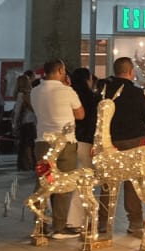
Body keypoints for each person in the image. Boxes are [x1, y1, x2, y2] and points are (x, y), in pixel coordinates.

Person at [30, 60, 86, 239]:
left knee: (43, 183)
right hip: (65, 142)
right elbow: (80, 114)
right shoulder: (66, 91)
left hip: (42, 141)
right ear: (61, 70)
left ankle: (39, 224)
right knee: (64, 184)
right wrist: (68, 88)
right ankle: (59, 226)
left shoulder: (35, 91)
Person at [101, 57, 145, 236]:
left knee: (107, 182)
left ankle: (102, 222)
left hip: (109, 141)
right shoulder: (137, 93)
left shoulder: (104, 89)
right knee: (133, 182)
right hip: (133, 141)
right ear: (131, 72)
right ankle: (136, 222)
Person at [69, 67, 101, 233]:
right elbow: (93, 123)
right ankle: (76, 220)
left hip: (68, 143)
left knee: (68, 180)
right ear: (87, 80)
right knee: (83, 183)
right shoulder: (91, 98)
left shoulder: (68, 94)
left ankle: (62, 218)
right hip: (85, 142)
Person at [13, 73, 37, 171]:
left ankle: (28, 164)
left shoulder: (21, 94)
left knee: (25, 145)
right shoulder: (32, 92)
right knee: (31, 144)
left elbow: (17, 110)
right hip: (33, 121)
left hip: (25, 121)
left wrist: (14, 124)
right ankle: (32, 163)